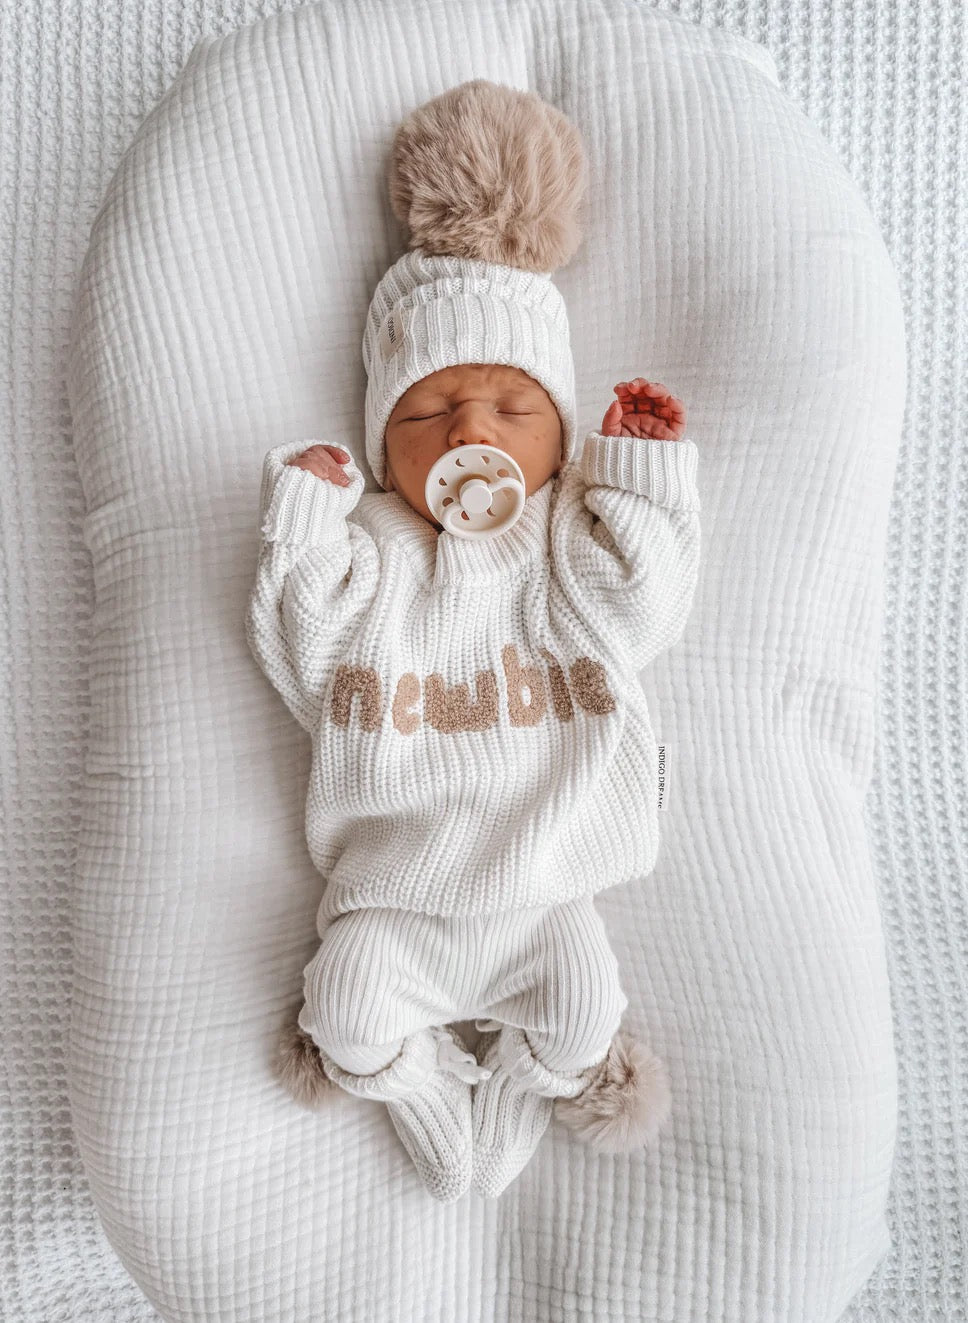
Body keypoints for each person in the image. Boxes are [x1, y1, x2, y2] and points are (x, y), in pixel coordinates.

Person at [245, 80, 702, 1204]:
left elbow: (648, 602)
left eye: (512, 408)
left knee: (584, 1014)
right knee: (343, 1013)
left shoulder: (567, 544)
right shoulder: (377, 550)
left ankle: (518, 1091)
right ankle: (422, 1089)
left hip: (547, 886)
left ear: (559, 436)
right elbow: (306, 648)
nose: (467, 431)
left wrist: (636, 477)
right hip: (397, 895)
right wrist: (305, 522)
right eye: (424, 413)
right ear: (382, 443)